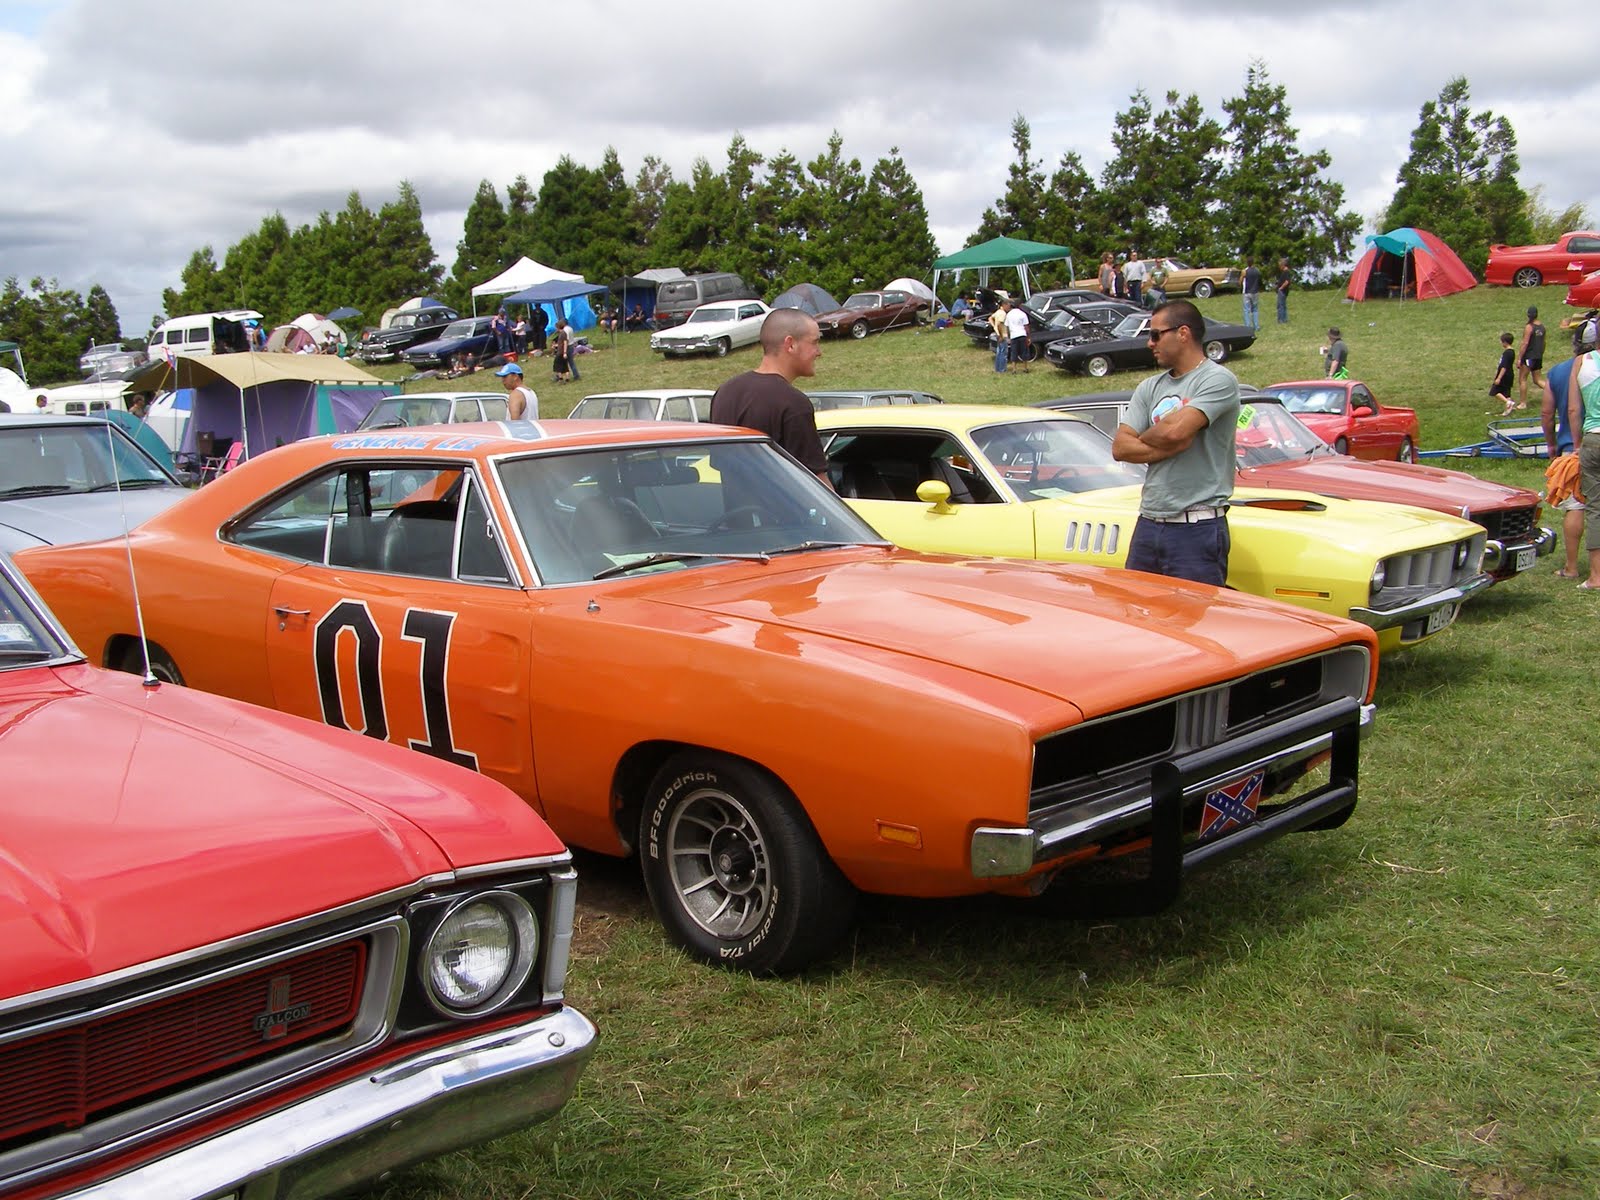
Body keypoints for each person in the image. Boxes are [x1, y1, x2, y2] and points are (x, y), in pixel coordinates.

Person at [1111, 299, 1241, 586]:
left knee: (1193, 622)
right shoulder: (1149, 387)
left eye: (1156, 334)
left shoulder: (1218, 380)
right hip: (1148, 522)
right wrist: (1166, 441)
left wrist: (1153, 438)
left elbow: (1175, 432)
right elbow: (1120, 447)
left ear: (1183, 333)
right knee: (1138, 615)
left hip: (1197, 527)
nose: (1149, 343)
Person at [708, 308, 831, 486]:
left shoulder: (725, 393)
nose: (819, 352)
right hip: (782, 513)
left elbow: (719, 464)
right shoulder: (793, 403)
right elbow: (815, 483)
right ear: (790, 344)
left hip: (736, 512)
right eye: (814, 342)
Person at [1543, 349, 1585, 576]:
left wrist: (1551, 444)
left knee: (1576, 507)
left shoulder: (1559, 371)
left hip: (1571, 448)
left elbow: (1547, 413)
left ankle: (1572, 566)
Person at [1567, 338, 1600, 587]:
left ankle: (1596, 576)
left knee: (1595, 507)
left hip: (1593, 438)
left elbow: (1573, 410)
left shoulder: (1582, 362)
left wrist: (1577, 444)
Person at [1518, 305, 1546, 411]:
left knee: (1522, 379)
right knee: (1538, 380)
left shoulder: (1529, 327)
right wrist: (1540, 353)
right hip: (1538, 356)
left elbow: (1525, 343)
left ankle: (1523, 403)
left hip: (1529, 356)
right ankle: (1555, 393)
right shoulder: (1542, 327)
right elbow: (1543, 342)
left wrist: (1520, 358)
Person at [1491, 332, 1516, 416]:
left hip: (1504, 375)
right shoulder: (1512, 351)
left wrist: (1499, 378)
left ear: (1505, 342)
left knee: (1494, 391)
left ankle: (1508, 402)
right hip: (1510, 374)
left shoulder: (1507, 353)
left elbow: (1504, 366)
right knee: (1506, 393)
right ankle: (1507, 410)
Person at [1004, 298, 1031, 373]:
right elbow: (1026, 326)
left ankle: (1014, 369)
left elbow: (1007, 326)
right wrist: (1028, 337)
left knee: (1014, 352)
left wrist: (1009, 337)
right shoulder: (1022, 314)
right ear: (1020, 305)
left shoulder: (1009, 314)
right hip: (1022, 334)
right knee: (1024, 351)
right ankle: (1025, 368)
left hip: (1013, 335)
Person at [989, 300, 1011, 373]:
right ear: (1004, 305)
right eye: (1008, 305)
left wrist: (993, 326)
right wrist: (1001, 335)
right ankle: (1002, 369)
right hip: (1002, 335)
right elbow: (999, 324)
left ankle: (997, 368)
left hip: (997, 333)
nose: (1009, 307)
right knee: (1003, 353)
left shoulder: (998, 312)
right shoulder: (1003, 314)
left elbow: (990, 318)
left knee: (999, 352)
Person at [1240, 257, 1262, 330]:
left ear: (1247, 263)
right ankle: (1256, 326)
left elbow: (1240, 281)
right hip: (1255, 292)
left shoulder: (1245, 271)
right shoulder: (1257, 271)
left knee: (1247, 310)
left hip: (1247, 292)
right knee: (1255, 310)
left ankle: (1247, 326)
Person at [1275, 258, 1292, 324]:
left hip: (1282, 291)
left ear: (1283, 265)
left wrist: (1281, 288)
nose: (1279, 267)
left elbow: (1287, 281)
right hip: (1283, 291)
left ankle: (1281, 320)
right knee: (1283, 305)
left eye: (1279, 265)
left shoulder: (1286, 272)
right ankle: (1284, 319)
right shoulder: (1285, 272)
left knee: (1280, 306)